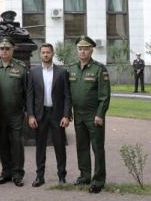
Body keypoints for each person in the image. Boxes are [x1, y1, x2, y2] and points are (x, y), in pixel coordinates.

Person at [67, 35, 111, 194]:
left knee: (97, 148)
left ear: (92, 50)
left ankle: (98, 180)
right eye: (80, 49)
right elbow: (68, 95)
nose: (83, 52)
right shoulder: (71, 69)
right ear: (77, 50)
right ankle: (84, 176)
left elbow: (105, 96)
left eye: (86, 49)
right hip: (78, 115)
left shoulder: (99, 69)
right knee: (81, 146)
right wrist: (68, 113)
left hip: (94, 116)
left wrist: (100, 115)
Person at [26, 43, 72, 187]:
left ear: (53, 54)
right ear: (40, 54)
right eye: (43, 52)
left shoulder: (62, 72)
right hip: (40, 115)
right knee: (40, 147)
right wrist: (31, 115)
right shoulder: (33, 72)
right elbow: (29, 96)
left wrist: (66, 115)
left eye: (48, 52)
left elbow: (67, 96)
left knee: (59, 146)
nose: (46, 55)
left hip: (57, 115)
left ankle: (62, 176)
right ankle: (40, 176)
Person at [0, 36, 27, 187]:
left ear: (12, 50)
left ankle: (17, 173)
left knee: (17, 143)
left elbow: (27, 92)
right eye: (1, 48)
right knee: (2, 143)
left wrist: (28, 111)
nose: (4, 51)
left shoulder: (21, 68)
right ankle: (6, 171)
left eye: (7, 48)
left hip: (16, 113)